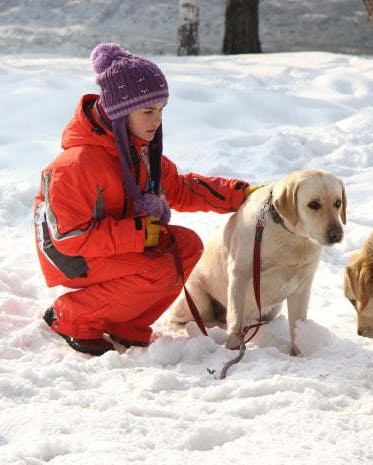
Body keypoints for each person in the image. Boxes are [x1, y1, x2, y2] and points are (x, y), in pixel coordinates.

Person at [34, 43, 258, 356]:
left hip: (112, 244)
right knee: (158, 268)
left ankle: (127, 324)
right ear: (120, 112)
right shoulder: (76, 164)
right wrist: (137, 234)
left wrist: (241, 194)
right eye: (148, 111)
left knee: (186, 246)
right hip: (71, 255)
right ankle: (71, 316)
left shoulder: (139, 150)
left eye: (161, 111)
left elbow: (180, 188)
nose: (157, 121)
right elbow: (68, 237)